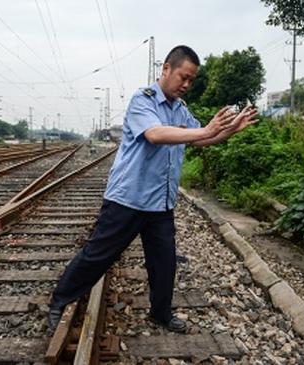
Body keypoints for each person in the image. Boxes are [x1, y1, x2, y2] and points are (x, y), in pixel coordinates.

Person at [48, 45, 258, 332]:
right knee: (98, 255)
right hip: (129, 198)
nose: (186, 84)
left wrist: (229, 130)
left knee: (164, 262)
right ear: (166, 69)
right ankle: (60, 299)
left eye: (191, 80)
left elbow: (196, 139)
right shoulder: (142, 100)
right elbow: (155, 134)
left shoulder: (181, 109)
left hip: (160, 202)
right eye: (183, 77)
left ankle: (160, 313)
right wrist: (207, 130)